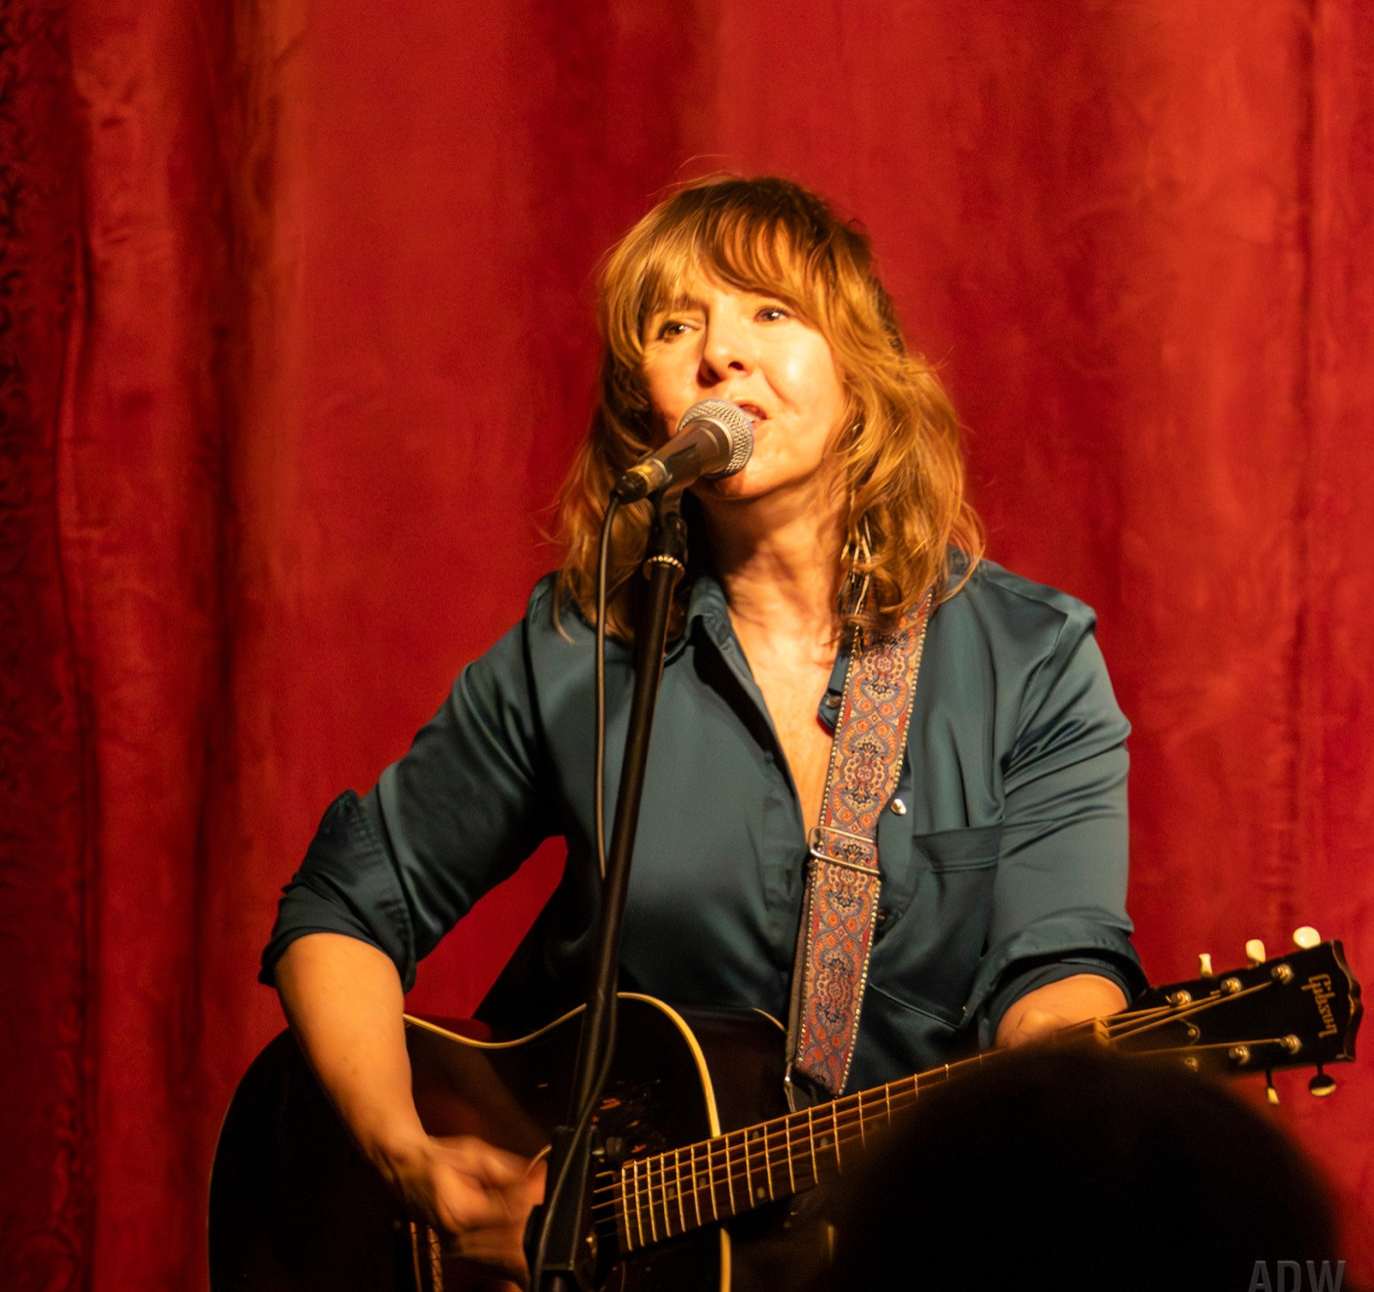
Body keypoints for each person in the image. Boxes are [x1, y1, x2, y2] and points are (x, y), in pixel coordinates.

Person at [261, 176, 1146, 1285]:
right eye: (676, 326)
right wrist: (405, 1154)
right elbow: (342, 907)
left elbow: (1059, 963)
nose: (722, 352)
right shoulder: (578, 650)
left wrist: (1068, 1055)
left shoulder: (1030, 657)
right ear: (647, 409)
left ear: (862, 376)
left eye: (771, 311)